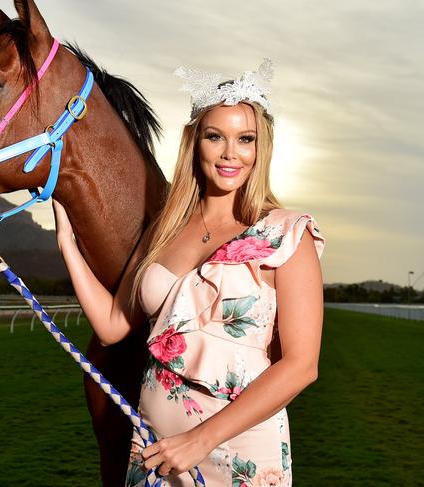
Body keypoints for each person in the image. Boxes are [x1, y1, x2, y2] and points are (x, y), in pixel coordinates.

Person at [53, 59, 325, 486]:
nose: (230, 152)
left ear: (261, 148)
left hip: (240, 450)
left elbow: (301, 365)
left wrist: (200, 440)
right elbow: (111, 326)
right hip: (154, 444)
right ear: (195, 142)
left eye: (245, 139)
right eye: (215, 136)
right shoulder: (164, 229)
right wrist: (67, 243)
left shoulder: (287, 234)